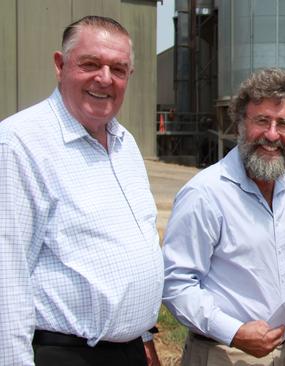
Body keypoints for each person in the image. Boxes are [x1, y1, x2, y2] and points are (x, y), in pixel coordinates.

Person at [0, 16, 163, 366]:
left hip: (129, 351)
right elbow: (6, 279)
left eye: (118, 69)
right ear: (60, 65)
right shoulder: (21, 143)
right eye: (90, 64)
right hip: (65, 353)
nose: (104, 78)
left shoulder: (125, 144)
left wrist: (143, 335)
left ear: (129, 77)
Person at [162, 68, 285, 366]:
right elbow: (176, 284)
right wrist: (234, 332)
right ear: (240, 124)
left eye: (283, 124)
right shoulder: (206, 193)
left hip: (281, 353)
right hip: (223, 353)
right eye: (262, 121)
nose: (272, 135)